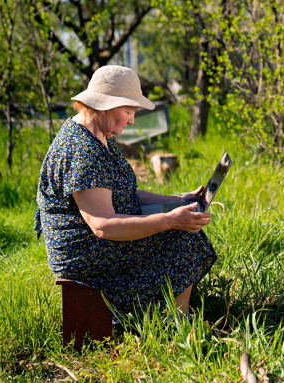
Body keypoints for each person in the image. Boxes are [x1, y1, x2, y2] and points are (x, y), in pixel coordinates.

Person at [34, 65, 217, 319]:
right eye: (129, 111)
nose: (132, 120)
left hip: (96, 243)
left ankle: (169, 311)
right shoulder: (82, 151)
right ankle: (177, 322)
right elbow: (103, 226)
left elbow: (127, 193)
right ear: (106, 106)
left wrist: (177, 201)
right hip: (86, 256)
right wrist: (170, 220)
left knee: (181, 226)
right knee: (182, 235)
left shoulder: (100, 134)